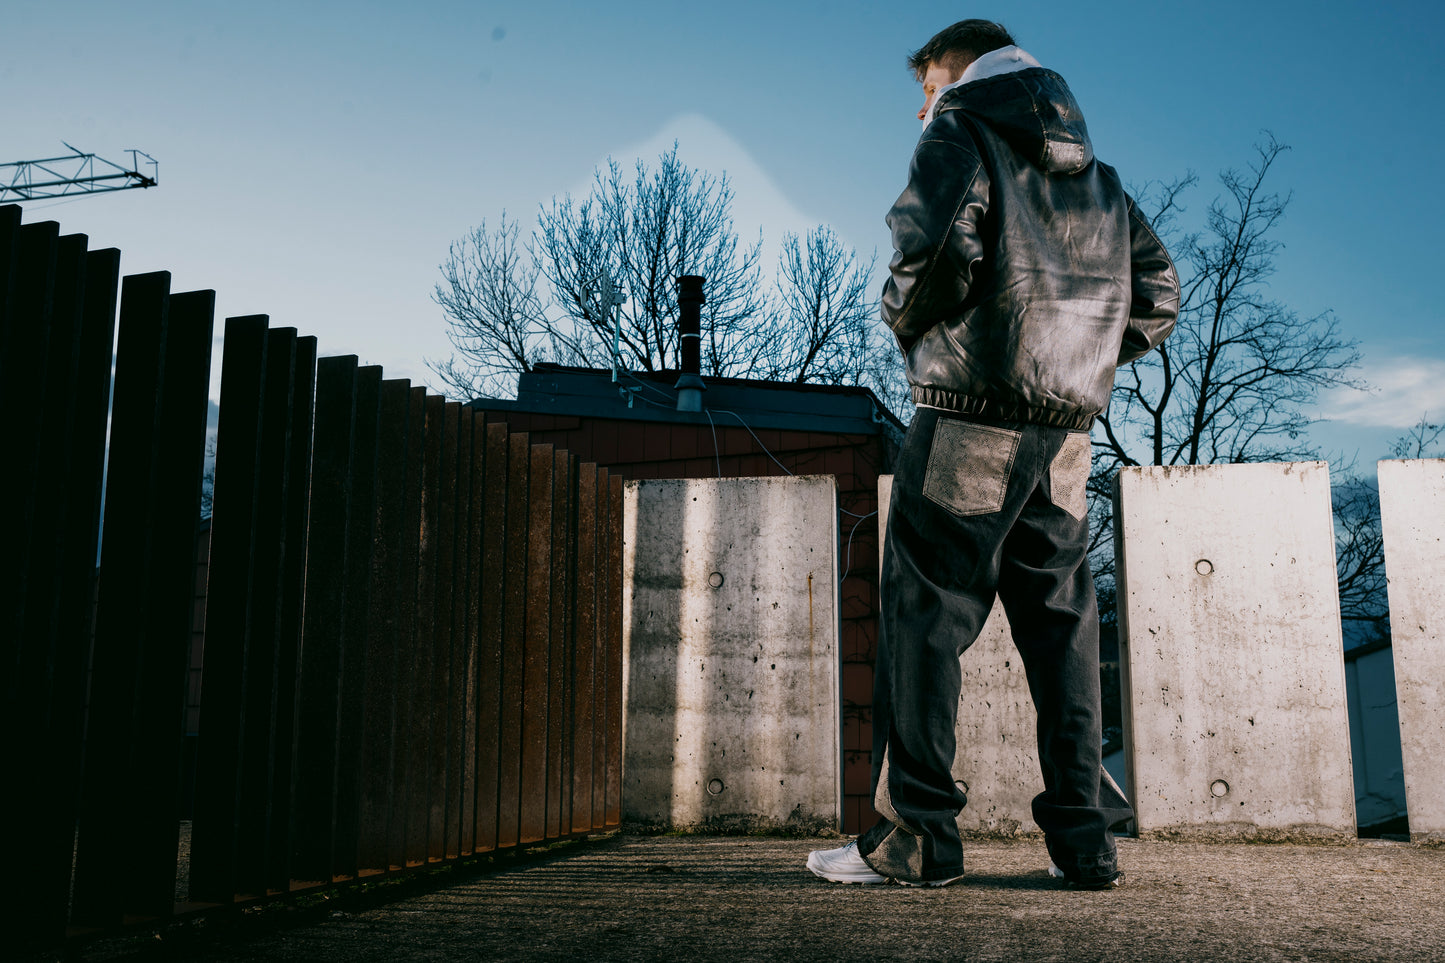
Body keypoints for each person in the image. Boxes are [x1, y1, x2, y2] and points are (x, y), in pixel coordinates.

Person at [807, 19, 1179, 889]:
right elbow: (1157, 293)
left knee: (924, 615)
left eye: (925, 85)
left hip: (970, 413)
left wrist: (917, 329)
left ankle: (919, 837)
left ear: (955, 68)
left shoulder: (960, 127)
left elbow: (928, 248)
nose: (920, 108)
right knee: (1061, 628)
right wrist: (1071, 357)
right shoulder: (1099, 179)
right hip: (1065, 434)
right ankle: (1086, 843)